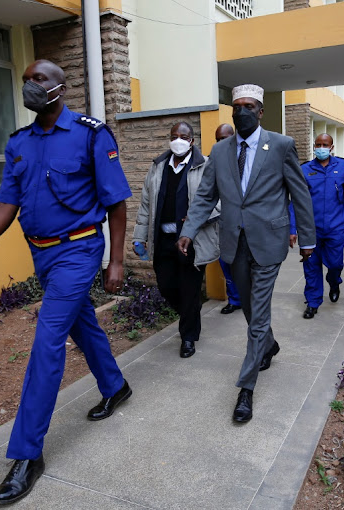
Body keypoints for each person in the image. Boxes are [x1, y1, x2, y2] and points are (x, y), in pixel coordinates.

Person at [0, 59, 132, 506]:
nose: (31, 86)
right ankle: (115, 386)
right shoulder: (19, 143)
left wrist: (116, 261)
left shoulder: (90, 134)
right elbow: (5, 205)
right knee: (80, 323)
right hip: (42, 253)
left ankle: (28, 454)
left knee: (47, 340)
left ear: (61, 87)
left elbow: (117, 203)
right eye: (26, 80)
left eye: (40, 80)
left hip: (80, 249)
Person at [177, 84, 315, 423]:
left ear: (260, 111)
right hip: (233, 243)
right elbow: (206, 196)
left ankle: (246, 389)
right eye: (237, 106)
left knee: (260, 311)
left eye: (249, 106)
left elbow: (300, 193)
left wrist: (308, 238)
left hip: (269, 242)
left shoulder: (281, 146)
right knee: (249, 306)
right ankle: (270, 344)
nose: (242, 112)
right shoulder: (221, 150)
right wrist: (188, 230)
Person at [132, 122, 219, 358]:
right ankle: (191, 313)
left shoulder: (205, 166)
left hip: (192, 240)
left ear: (192, 140)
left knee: (189, 289)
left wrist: (196, 218)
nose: (178, 140)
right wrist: (139, 236)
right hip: (162, 238)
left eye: (183, 136)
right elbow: (146, 205)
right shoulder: (158, 166)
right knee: (166, 286)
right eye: (174, 136)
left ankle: (188, 337)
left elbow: (218, 202)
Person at [290, 134, 344, 320]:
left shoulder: (342, 166)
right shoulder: (304, 169)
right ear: (314, 146)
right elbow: (296, 201)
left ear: (332, 147)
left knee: (335, 264)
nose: (321, 147)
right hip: (311, 229)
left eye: (325, 145)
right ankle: (313, 302)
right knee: (311, 266)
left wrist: (343, 214)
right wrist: (293, 228)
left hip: (335, 228)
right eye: (318, 144)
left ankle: (334, 283)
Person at [214, 123, 241, 315]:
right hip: (221, 223)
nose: (222, 143)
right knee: (226, 263)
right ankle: (234, 299)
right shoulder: (212, 161)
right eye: (218, 140)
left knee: (245, 266)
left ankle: (249, 298)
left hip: (244, 224)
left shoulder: (245, 159)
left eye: (225, 139)